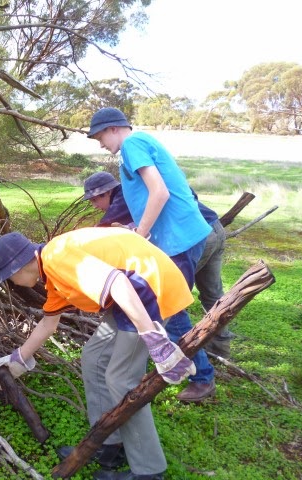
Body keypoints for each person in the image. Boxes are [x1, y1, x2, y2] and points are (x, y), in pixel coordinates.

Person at [0, 228, 198, 480]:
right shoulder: (51, 271)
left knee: (121, 379)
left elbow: (118, 282)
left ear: (17, 269)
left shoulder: (57, 258)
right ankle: (110, 445)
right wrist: (18, 359)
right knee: (94, 359)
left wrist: (151, 336)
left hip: (148, 288)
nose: (12, 284)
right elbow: (48, 324)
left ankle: (149, 471)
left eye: (9, 279)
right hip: (130, 293)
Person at [87, 108, 216, 403]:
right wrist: (135, 225)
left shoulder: (133, 145)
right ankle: (189, 367)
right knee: (171, 306)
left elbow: (160, 192)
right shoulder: (139, 144)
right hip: (178, 237)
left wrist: (140, 233)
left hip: (179, 240)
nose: (100, 144)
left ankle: (201, 376)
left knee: (170, 307)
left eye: (100, 136)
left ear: (115, 129)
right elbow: (151, 195)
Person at [83, 171, 233, 358]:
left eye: (95, 200)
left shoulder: (122, 197)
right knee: (212, 295)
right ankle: (220, 348)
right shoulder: (146, 184)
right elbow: (191, 194)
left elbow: (101, 232)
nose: (95, 206)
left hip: (193, 237)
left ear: (106, 193)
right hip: (213, 228)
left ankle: (194, 363)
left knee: (170, 298)